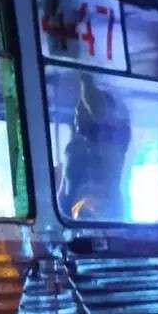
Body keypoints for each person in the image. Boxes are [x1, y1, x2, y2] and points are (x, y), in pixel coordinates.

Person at [59, 74, 130, 221]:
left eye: (82, 111)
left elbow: (98, 110)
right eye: (77, 113)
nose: (78, 116)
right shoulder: (74, 146)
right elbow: (66, 186)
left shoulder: (113, 144)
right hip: (73, 221)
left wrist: (86, 80)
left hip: (103, 219)